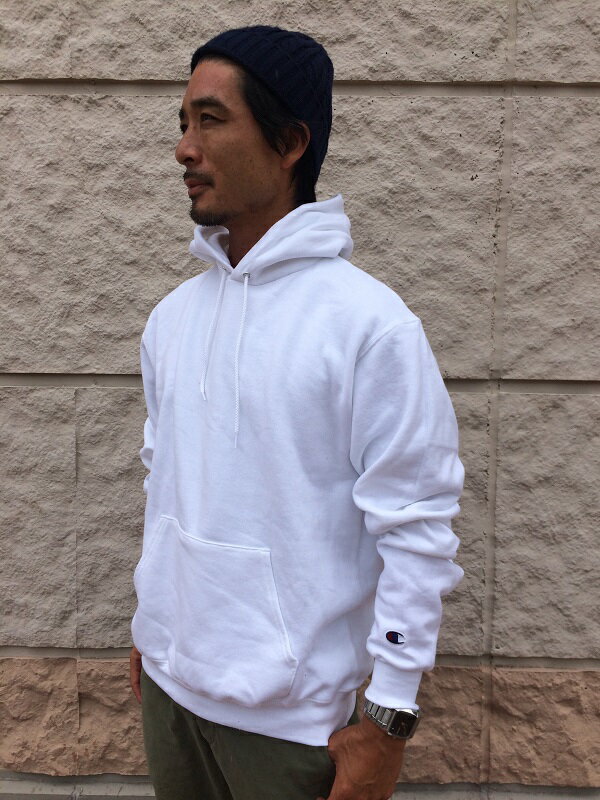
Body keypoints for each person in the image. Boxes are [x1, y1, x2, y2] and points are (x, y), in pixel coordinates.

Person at [129, 25, 464, 800]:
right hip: (171, 698)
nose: (184, 148)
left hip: (291, 730)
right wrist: (156, 622)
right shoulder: (171, 320)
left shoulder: (368, 326)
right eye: (183, 122)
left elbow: (416, 528)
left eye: (210, 120)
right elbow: (165, 484)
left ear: (290, 143)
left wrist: (389, 716)